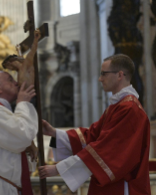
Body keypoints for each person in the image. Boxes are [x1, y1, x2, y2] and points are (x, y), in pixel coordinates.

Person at [38, 54, 151, 195]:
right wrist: (54, 133)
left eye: (104, 74)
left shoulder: (129, 109)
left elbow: (106, 151)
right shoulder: (119, 106)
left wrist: (59, 169)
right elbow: (92, 136)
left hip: (122, 188)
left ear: (120, 75)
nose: (100, 79)